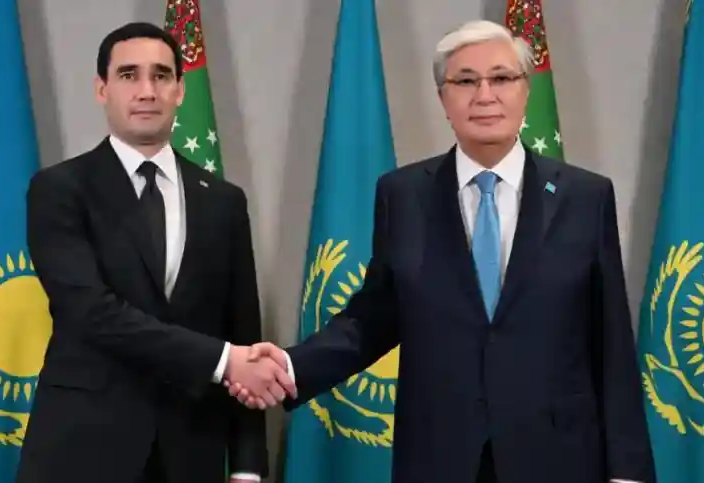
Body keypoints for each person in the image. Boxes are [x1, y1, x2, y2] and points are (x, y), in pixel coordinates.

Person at [229, 20, 656, 483]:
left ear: (525, 90)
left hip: (557, 457)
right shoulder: (402, 195)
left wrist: (628, 472)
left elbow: (611, 342)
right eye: (466, 81)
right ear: (443, 97)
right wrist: (290, 367)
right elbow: (372, 319)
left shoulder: (584, 197)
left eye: (501, 78)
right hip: (439, 456)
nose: (485, 95)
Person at [15, 22, 293, 483]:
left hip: (191, 453)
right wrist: (224, 361)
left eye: (161, 75)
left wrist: (247, 466)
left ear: (180, 91)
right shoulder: (59, 190)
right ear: (101, 89)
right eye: (129, 75)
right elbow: (92, 313)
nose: (147, 90)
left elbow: (241, 329)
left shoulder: (223, 201)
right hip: (83, 452)